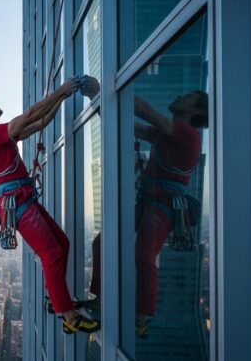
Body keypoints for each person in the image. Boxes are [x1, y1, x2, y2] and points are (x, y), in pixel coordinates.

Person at [0, 75, 101, 334]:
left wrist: (62, 97)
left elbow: (40, 121)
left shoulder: (0, 136)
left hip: (22, 200)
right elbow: (32, 113)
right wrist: (61, 90)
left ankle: (55, 300)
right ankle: (69, 316)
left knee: (61, 244)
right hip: (18, 204)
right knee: (52, 253)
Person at [87, 87, 208, 337]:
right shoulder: (167, 134)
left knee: (143, 255)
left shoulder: (188, 135)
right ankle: (99, 300)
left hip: (163, 205)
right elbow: (132, 126)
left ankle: (142, 318)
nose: (178, 96)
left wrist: (104, 91)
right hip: (150, 201)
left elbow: (145, 111)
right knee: (102, 241)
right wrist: (99, 102)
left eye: (186, 97)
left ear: (194, 110)